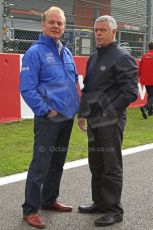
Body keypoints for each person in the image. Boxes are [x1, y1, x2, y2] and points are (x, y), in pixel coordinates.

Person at [20, 6, 79, 229]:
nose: (56, 26)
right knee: (41, 164)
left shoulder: (66, 52)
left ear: (64, 27)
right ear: (42, 25)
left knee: (57, 163)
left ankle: (49, 199)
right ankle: (30, 209)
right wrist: (45, 110)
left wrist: (78, 109)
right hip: (48, 119)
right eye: (52, 22)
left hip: (67, 118)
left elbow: (73, 85)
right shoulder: (34, 52)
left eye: (60, 23)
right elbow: (27, 88)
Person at [78, 15, 138, 227]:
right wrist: (83, 113)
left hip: (110, 122)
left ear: (114, 32)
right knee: (96, 163)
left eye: (103, 30)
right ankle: (100, 203)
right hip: (94, 120)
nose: (98, 34)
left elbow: (131, 92)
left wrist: (107, 112)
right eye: (96, 30)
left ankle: (114, 210)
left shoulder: (123, 57)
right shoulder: (93, 57)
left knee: (111, 165)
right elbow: (87, 88)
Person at [139, 40, 153, 119]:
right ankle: (145, 107)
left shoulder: (144, 56)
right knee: (152, 96)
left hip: (145, 79)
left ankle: (150, 111)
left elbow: (140, 68)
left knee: (150, 95)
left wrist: (137, 77)